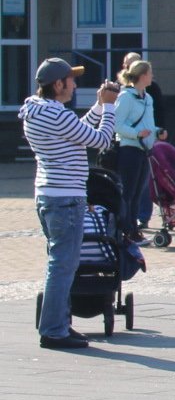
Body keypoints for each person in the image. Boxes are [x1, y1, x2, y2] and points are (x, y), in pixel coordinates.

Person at [25, 58, 119, 349]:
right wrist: (111, 106)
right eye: (70, 80)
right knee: (63, 266)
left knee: (59, 263)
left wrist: (98, 107)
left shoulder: (37, 111)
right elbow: (101, 140)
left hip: (48, 195)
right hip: (66, 198)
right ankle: (54, 330)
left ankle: (59, 324)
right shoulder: (57, 115)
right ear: (58, 85)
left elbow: (78, 131)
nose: (74, 85)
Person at [112, 60, 156, 240]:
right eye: (150, 73)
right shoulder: (126, 97)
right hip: (129, 149)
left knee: (138, 192)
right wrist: (136, 134)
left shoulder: (148, 98)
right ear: (143, 76)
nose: (152, 76)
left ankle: (133, 228)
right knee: (128, 192)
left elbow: (149, 123)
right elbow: (116, 125)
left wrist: (157, 131)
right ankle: (125, 229)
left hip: (144, 150)